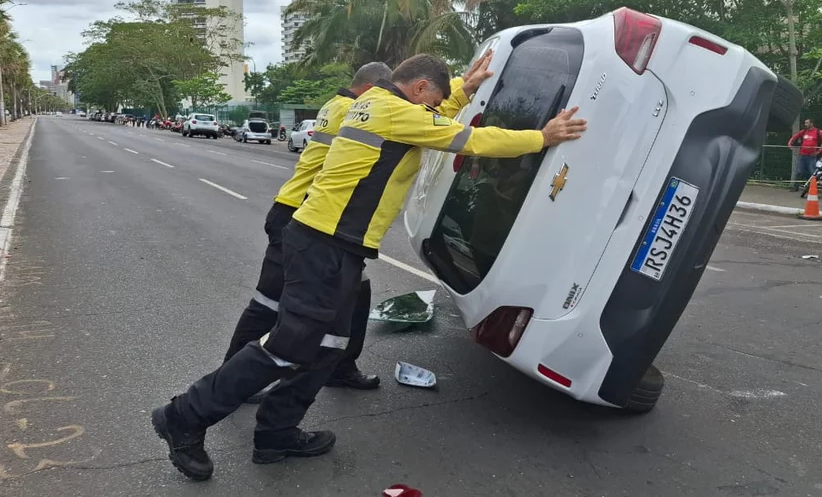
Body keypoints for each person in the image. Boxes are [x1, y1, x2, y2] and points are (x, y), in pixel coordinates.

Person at [151, 53, 587, 481]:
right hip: (323, 242)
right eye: (431, 101)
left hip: (334, 243)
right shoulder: (394, 111)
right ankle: (183, 416)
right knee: (288, 346)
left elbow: (429, 121)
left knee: (330, 344)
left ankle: (276, 433)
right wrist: (542, 137)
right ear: (418, 90)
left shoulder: (375, 104)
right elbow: (467, 139)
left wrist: (459, 90)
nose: (434, 110)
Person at [223, 54, 495, 399]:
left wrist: (461, 89)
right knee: (273, 307)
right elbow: (423, 122)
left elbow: (424, 116)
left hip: (304, 213)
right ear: (371, 88)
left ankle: (337, 366)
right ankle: (236, 383)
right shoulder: (364, 109)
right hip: (306, 215)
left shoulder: (345, 106)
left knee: (348, 298)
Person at [788, 118, 822, 190]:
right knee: (799, 171)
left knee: (812, 172)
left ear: (811, 123)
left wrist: (819, 151)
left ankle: (812, 187)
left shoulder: (818, 132)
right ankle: (795, 187)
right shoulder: (803, 132)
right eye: (805, 123)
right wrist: (790, 144)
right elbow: (794, 137)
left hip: (812, 156)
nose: (805, 124)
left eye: (807, 123)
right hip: (802, 155)